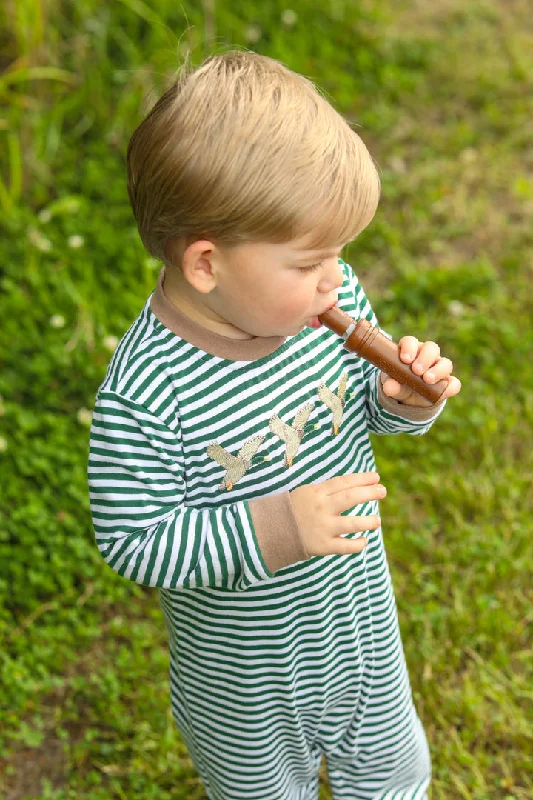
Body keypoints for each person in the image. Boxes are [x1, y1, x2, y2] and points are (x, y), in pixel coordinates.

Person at [88, 49, 461, 800]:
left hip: (356, 633)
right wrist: (273, 530)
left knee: (393, 776)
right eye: (310, 261)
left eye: (339, 254)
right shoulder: (149, 389)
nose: (336, 278)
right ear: (206, 263)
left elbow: (361, 401)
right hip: (243, 683)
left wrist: (400, 401)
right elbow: (132, 539)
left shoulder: (329, 306)